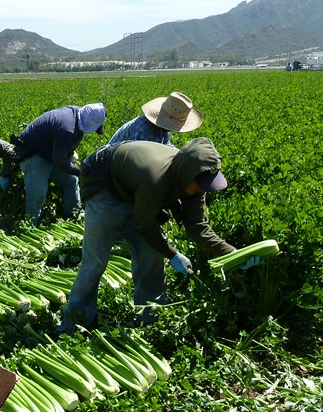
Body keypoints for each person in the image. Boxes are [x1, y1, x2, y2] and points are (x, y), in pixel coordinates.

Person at [58, 137, 253, 334]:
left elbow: (198, 227)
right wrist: (172, 254)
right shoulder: (155, 178)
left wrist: (233, 253)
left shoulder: (195, 182)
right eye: (200, 184)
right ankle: (73, 324)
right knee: (96, 260)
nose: (202, 189)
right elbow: (144, 225)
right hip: (105, 182)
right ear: (187, 173)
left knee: (151, 254)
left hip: (136, 187)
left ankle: (150, 319)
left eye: (206, 185)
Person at [12, 102, 106, 225]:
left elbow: (61, 152)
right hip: (32, 153)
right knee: (38, 192)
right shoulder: (67, 129)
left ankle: (74, 218)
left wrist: (70, 156)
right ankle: (30, 227)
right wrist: (82, 172)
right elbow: (60, 161)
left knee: (70, 180)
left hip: (49, 153)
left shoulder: (77, 113)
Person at [108, 91, 203, 147]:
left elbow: (166, 146)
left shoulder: (164, 129)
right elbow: (133, 158)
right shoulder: (143, 127)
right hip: (110, 167)